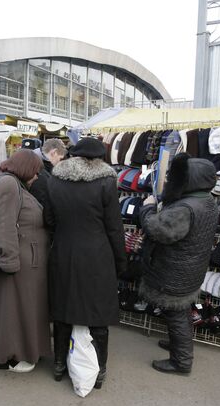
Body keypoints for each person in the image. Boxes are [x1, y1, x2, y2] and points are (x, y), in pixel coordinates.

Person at [45, 137, 127, 389]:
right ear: (100, 157)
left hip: (63, 251)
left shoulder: (56, 179)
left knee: (62, 309)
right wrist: (120, 260)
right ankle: (99, 370)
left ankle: (59, 365)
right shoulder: (106, 181)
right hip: (97, 254)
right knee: (97, 312)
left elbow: (48, 219)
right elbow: (114, 226)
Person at [138, 153, 218, 375]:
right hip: (190, 266)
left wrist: (147, 208)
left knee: (176, 314)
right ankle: (178, 344)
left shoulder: (186, 207)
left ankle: (181, 362)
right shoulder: (206, 200)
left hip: (175, 269)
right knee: (179, 311)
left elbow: (157, 231)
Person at [0, 149, 52, 373]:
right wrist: (9, 261)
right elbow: (4, 225)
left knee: (11, 312)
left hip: (20, 260)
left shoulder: (10, 183)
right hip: (17, 262)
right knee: (14, 313)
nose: (37, 177)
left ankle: (10, 354)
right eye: (35, 171)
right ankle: (13, 355)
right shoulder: (9, 185)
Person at [29, 138, 67, 209]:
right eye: (60, 158)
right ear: (54, 152)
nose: (59, 163)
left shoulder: (32, 161)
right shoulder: (40, 171)